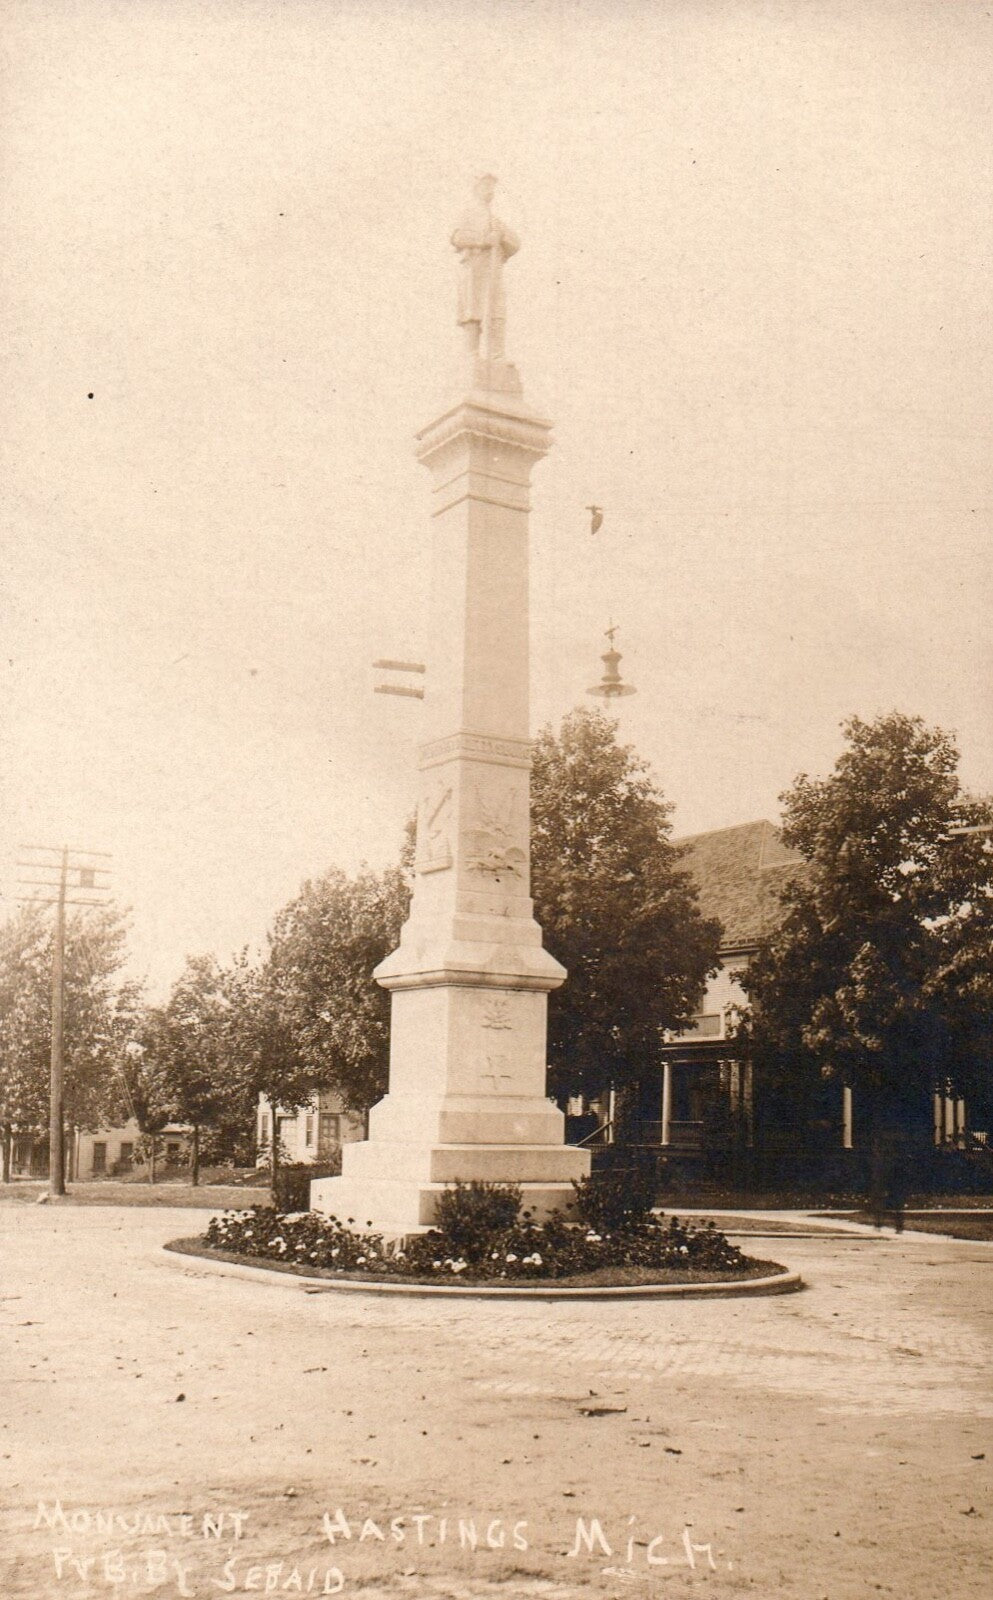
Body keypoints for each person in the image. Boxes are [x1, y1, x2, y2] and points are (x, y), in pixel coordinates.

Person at [451, 175, 519, 360]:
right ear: (476, 187)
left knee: (496, 312)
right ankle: (471, 354)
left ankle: (497, 355)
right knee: (473, 312)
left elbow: (516, 243)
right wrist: (483, 240)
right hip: (474, 269)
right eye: (486, 185)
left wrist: (502, 237)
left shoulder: (496, 221)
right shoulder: (467, 213)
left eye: (492, 186)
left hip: (493, 272)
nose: (490, 190)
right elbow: (457, 238)